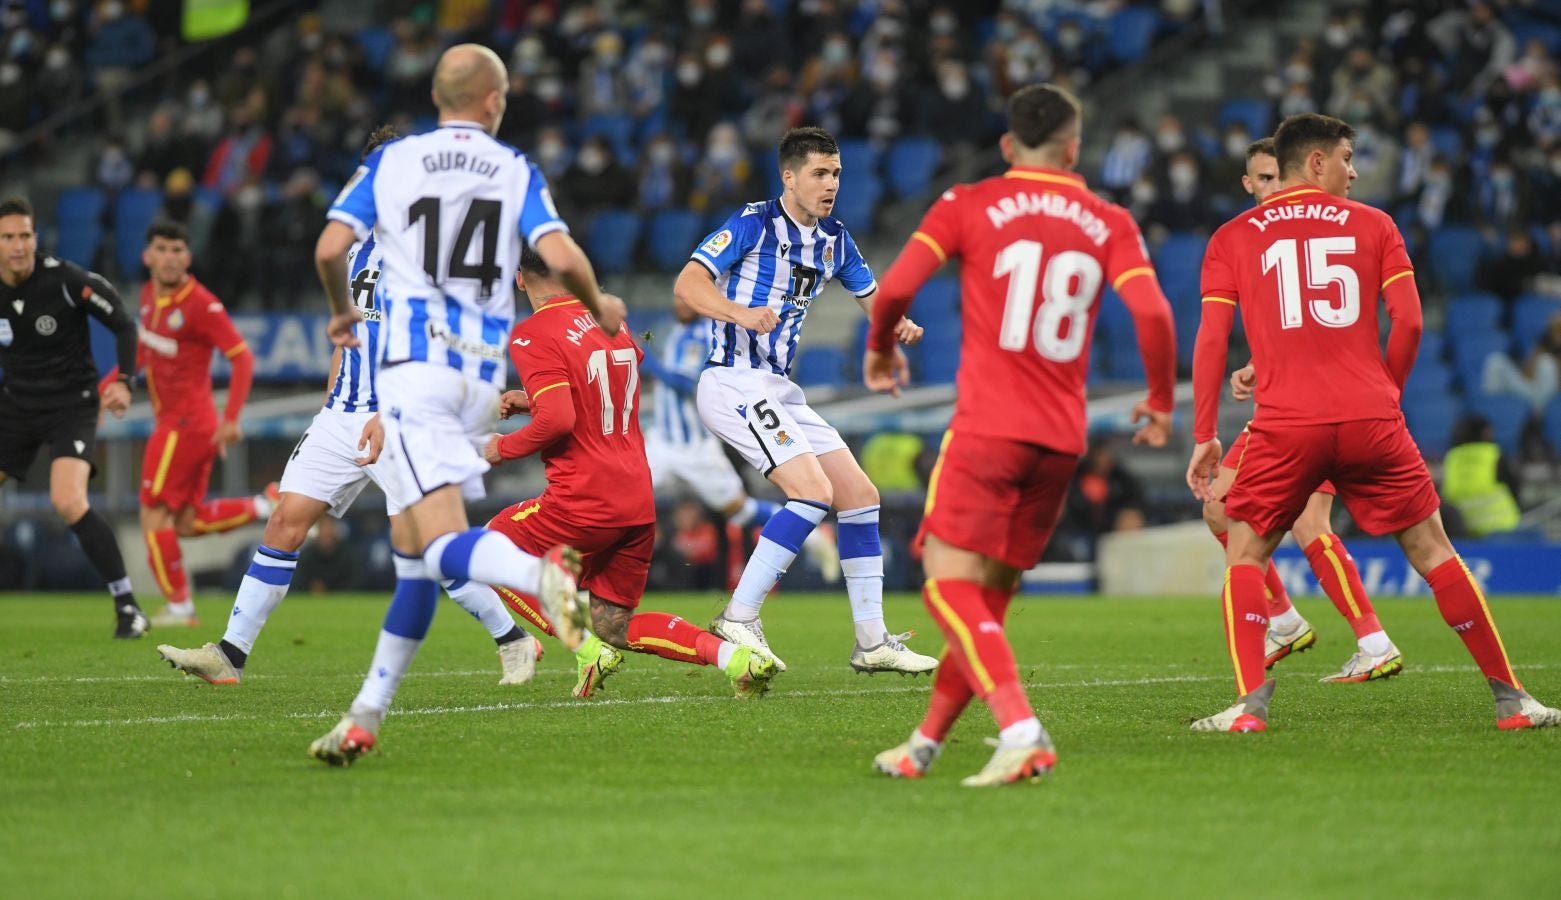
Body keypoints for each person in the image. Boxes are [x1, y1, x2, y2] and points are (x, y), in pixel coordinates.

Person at [1187, 112, 1559, 733]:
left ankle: (1248, 708)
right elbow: (1409, 324)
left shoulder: (1232, 235)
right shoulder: (1376, 224)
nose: (1354, 171)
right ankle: (1512, 701)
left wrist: (1205, 433)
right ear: (1316, 163)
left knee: (1246, 551)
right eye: (1347, 158)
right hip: (1370, 418)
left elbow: (1209, 340)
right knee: (1434, 549)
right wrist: (1389, 390)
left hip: (1286, 424)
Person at [862, 84, 1177, 786]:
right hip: (1059, 443)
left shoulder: (966, 204)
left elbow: (892, 292)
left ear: (1006, 146)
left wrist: (881, 349)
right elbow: (1153, 316)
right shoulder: (1106, 219)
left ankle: (1022, 730)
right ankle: (923, 745)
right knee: (986, 603)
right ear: (1073, 149)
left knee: (944, 590)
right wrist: (1158, 402)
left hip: (988, 429)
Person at [154, 127, 543, 689]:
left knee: (432, 546)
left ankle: (514, 639)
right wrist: (334, 388)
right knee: (286, 520)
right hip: (341, 415)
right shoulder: (358, 246)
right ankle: (230, 655)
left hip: (400, 418)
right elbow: (351, 331)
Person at [307, 44, 606, 766]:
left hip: (415, 375)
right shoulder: (514, 169)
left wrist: (343, 311)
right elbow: (562, 257)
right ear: (495, 100)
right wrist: (600, 308)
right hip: (477, 376)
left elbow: (328, 248)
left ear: (437, 96)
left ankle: (544, 580)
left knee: (442, 547)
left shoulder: (391, 163)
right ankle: (363, 719)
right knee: (414, 563)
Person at [672, 126, 937, 676]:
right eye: (819, 173)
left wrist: (897, 328)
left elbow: (872, 297)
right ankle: (739, 616)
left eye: (836, 173)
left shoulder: (836, 238)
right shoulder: (753, 222)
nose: (831, 183)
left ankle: (871, 641)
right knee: (811, 491)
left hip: (777, 388)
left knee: (860, 495)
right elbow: (687, 285)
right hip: (731, 379)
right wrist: (739, 313)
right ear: (788, 177)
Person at [478, 253, 777, 700]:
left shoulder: (532, 333)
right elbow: (609, 385)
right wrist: (532, 399)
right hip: (636, 496)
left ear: (519, 280)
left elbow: (558, 420)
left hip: (583, 497)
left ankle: (585, 649)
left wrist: (501, 448)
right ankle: (737, 659)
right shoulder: (607, 319)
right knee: (614, 624)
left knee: (486, 550)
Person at [1203, 138, 1402, 683]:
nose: (1273, 190)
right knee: (1219, 510)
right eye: (1261, 181)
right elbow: (1296, 323)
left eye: (1278, 178)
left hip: (1323, 412)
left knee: (1309, 522)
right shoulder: (1251, 240)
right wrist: (1255, 364)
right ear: (1248, 186)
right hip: (1280, 408)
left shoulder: (1322, 228)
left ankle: (1373, 639)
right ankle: (1284, 619)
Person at [113, 221, 275, 629]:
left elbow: (242, 356)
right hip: (184, 424)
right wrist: (111, 384)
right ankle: (263, 505)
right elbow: (145, 354)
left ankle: (181, 606)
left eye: (178, 249)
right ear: (147, 256)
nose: (170, 257)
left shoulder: (200, 303)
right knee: (184, 522)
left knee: (152, 517)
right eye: (162, 249)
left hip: (183, 424)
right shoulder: (150, 296)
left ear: (188, 256)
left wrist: (233, 417)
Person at [0, 197, 148, 638]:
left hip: (72, 403)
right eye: (8, 237)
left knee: (68, 500)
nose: (18, 246)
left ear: (35, 238)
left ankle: (128, 606)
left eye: (25, 235)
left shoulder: (65, 280)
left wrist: (124, 380)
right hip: (16, 404)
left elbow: (124, 323)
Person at [640, 296, 838, 580]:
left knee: (741, 511)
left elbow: (685, 383)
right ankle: (584, 571)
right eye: (677, 299)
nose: (680, 303)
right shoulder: (674, 333)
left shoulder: (703, 335)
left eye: (686, 299)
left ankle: (815, 536)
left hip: (695, 449)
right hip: (662, 444)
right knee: (623, 495)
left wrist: (650, 364)